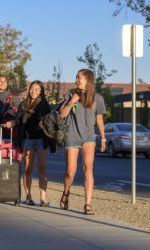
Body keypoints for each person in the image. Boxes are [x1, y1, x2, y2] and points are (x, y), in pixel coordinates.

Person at [59, 69, 106, 215]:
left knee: (88, 169)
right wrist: (72, 101)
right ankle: (66, 192)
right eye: (76, 77)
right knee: (70, 172)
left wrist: (103, 138)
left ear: (88, 80)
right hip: (72, 136)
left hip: (89, 137)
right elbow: (62, 115)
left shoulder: (97, 98)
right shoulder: (71, 94)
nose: (76, 80)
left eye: (79, 77)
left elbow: (99, 118)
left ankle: (87, 204)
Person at [16, 81, 52, 207]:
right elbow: (18, 122)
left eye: (37, 89)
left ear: (41, 91)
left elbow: (50, 124)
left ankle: (43, 197)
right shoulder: (23, 104)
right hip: (28, 140)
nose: (34, 91)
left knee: (42, 168)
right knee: (28, 169)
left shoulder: (45, 105)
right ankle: (28, 196)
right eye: (32, 89)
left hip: (41, 140)